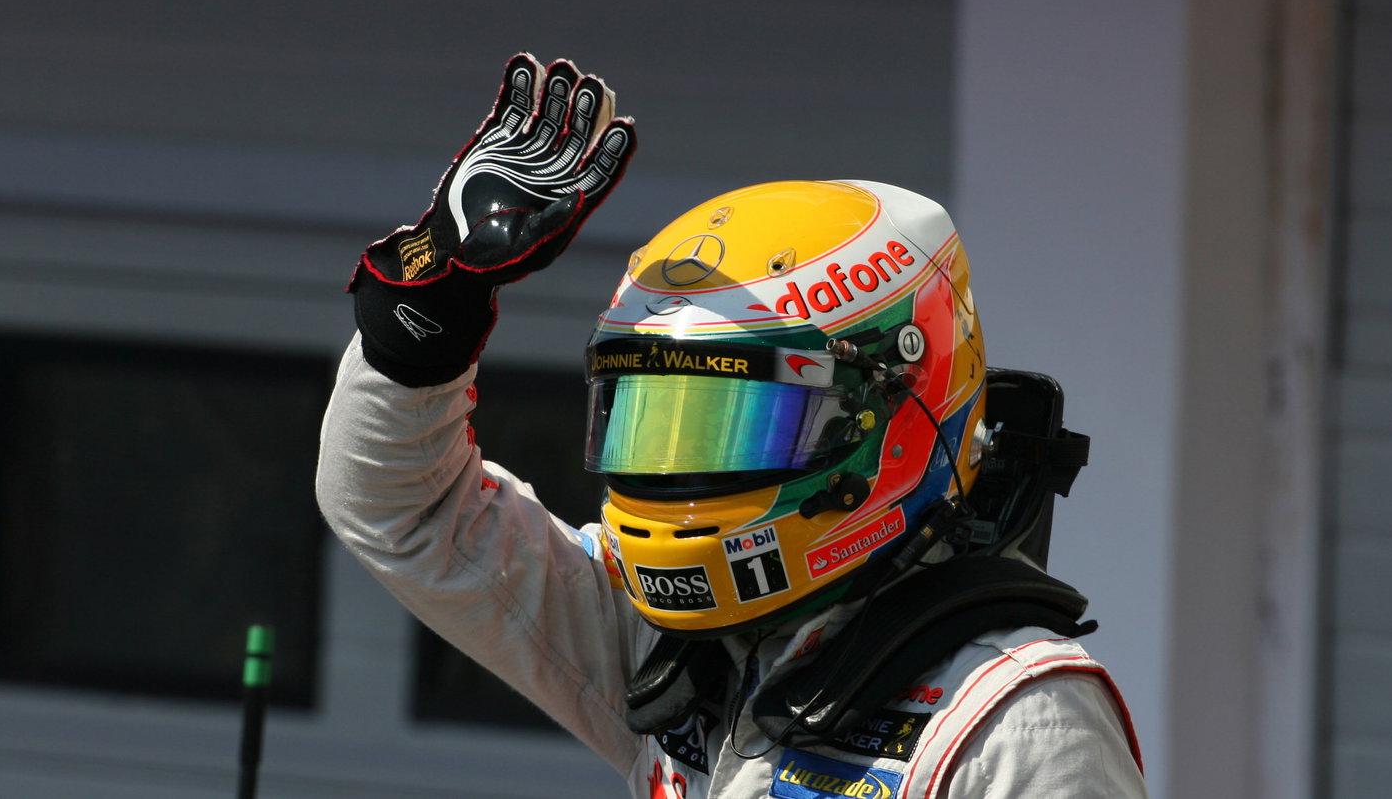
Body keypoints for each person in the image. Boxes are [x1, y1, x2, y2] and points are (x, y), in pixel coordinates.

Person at [317, 53, 1147, 798]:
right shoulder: (676, 634)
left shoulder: (1017, 719)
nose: (682, 474)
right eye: (657, 421)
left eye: (742, 424)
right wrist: (429, 299)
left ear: (892, 415)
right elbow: (402, 510)